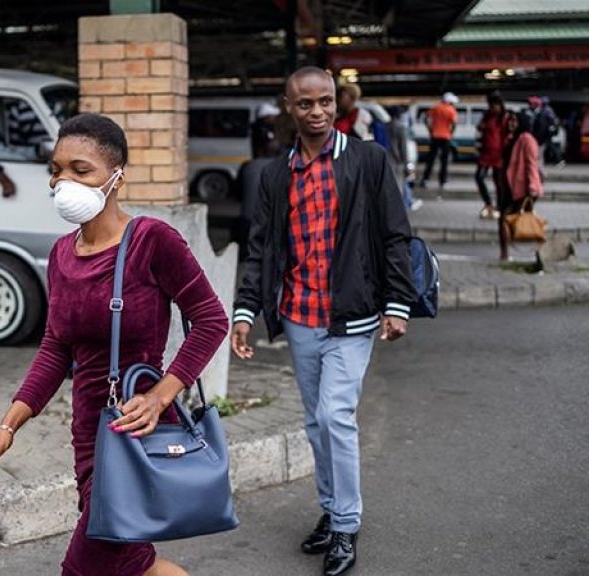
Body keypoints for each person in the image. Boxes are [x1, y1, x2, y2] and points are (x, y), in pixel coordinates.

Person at [0, 113, 228, 576]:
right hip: (89, 436)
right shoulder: (62, 254)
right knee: (130, 563)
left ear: (117, 177)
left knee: (88, 567)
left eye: (80, 169)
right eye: (56, 169)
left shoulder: (153, 241)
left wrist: (159, 395)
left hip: (137, 432)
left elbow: (210, 320)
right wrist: (6, 426)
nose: (62, 180)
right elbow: (55, 349)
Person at [230, 67, 416, 576]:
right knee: (315, 423)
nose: (318, 112)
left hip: (352, 317)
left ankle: (346, 525)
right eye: (306, 104)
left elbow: (395, 234)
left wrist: (398, 302)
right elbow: (262, 247)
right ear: (289, 108)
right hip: (298, 317)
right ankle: (333, 511)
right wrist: (246, 311)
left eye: (326, 102)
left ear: (338, 103)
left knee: (336, 416)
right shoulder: (274, 173)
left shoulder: (368, 160)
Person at [498, 111, 543, 261]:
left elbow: (531, 164)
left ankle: (536, 254)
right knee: (509, 219)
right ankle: (505, 253)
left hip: (523, 188)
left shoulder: (527, 139)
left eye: (515, 121)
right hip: (510, 186)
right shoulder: (512, 138)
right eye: (510, 120)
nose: (512, 124)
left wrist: (532, 188)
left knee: (524, 219)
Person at [475, 92, 508, 220]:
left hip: (499, 154)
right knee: (479, 177)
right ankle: (488, 203)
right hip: (486, 153)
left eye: (495, 104)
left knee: (498, 182)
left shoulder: (505, 117)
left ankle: (500, 207)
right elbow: (480, 129)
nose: (493, 107)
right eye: (491, 104)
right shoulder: (486, 116)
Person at [420, 92, 459, 190]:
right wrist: (451, 133)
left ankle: (425, 179)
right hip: (446, 137)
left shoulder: (435, 108)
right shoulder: (451, 110)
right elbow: (454, 123)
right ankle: (442, 181)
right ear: (450, 101)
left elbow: (425, 118)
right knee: (444, 161)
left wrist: (430, 129)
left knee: (431, 160)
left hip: (434, 136)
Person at [386, 105, 421, 212]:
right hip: (397, 162)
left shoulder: (385, 126)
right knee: (398, 186)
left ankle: (407, 203)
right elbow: (403, 148)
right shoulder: (401, 128)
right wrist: (407, 164)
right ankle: (400, 209)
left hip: (386, 159)